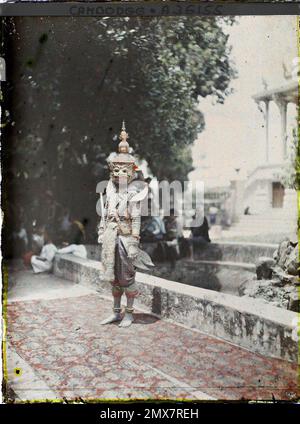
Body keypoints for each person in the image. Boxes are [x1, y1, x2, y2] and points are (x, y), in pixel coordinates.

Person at [97, 121, 154, 328]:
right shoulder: (109, 192)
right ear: (113, 172)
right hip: (111, 238)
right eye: (117, 171)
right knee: (113, 279)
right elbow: (104, 215)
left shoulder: (134, 194)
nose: (120, 174)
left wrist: (134, 242)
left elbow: (137, 218)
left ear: (130, 172)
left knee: (127, 278)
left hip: (126, 238)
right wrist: (102, 231)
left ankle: (129, 314)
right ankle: (115, 312)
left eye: (124, 171)